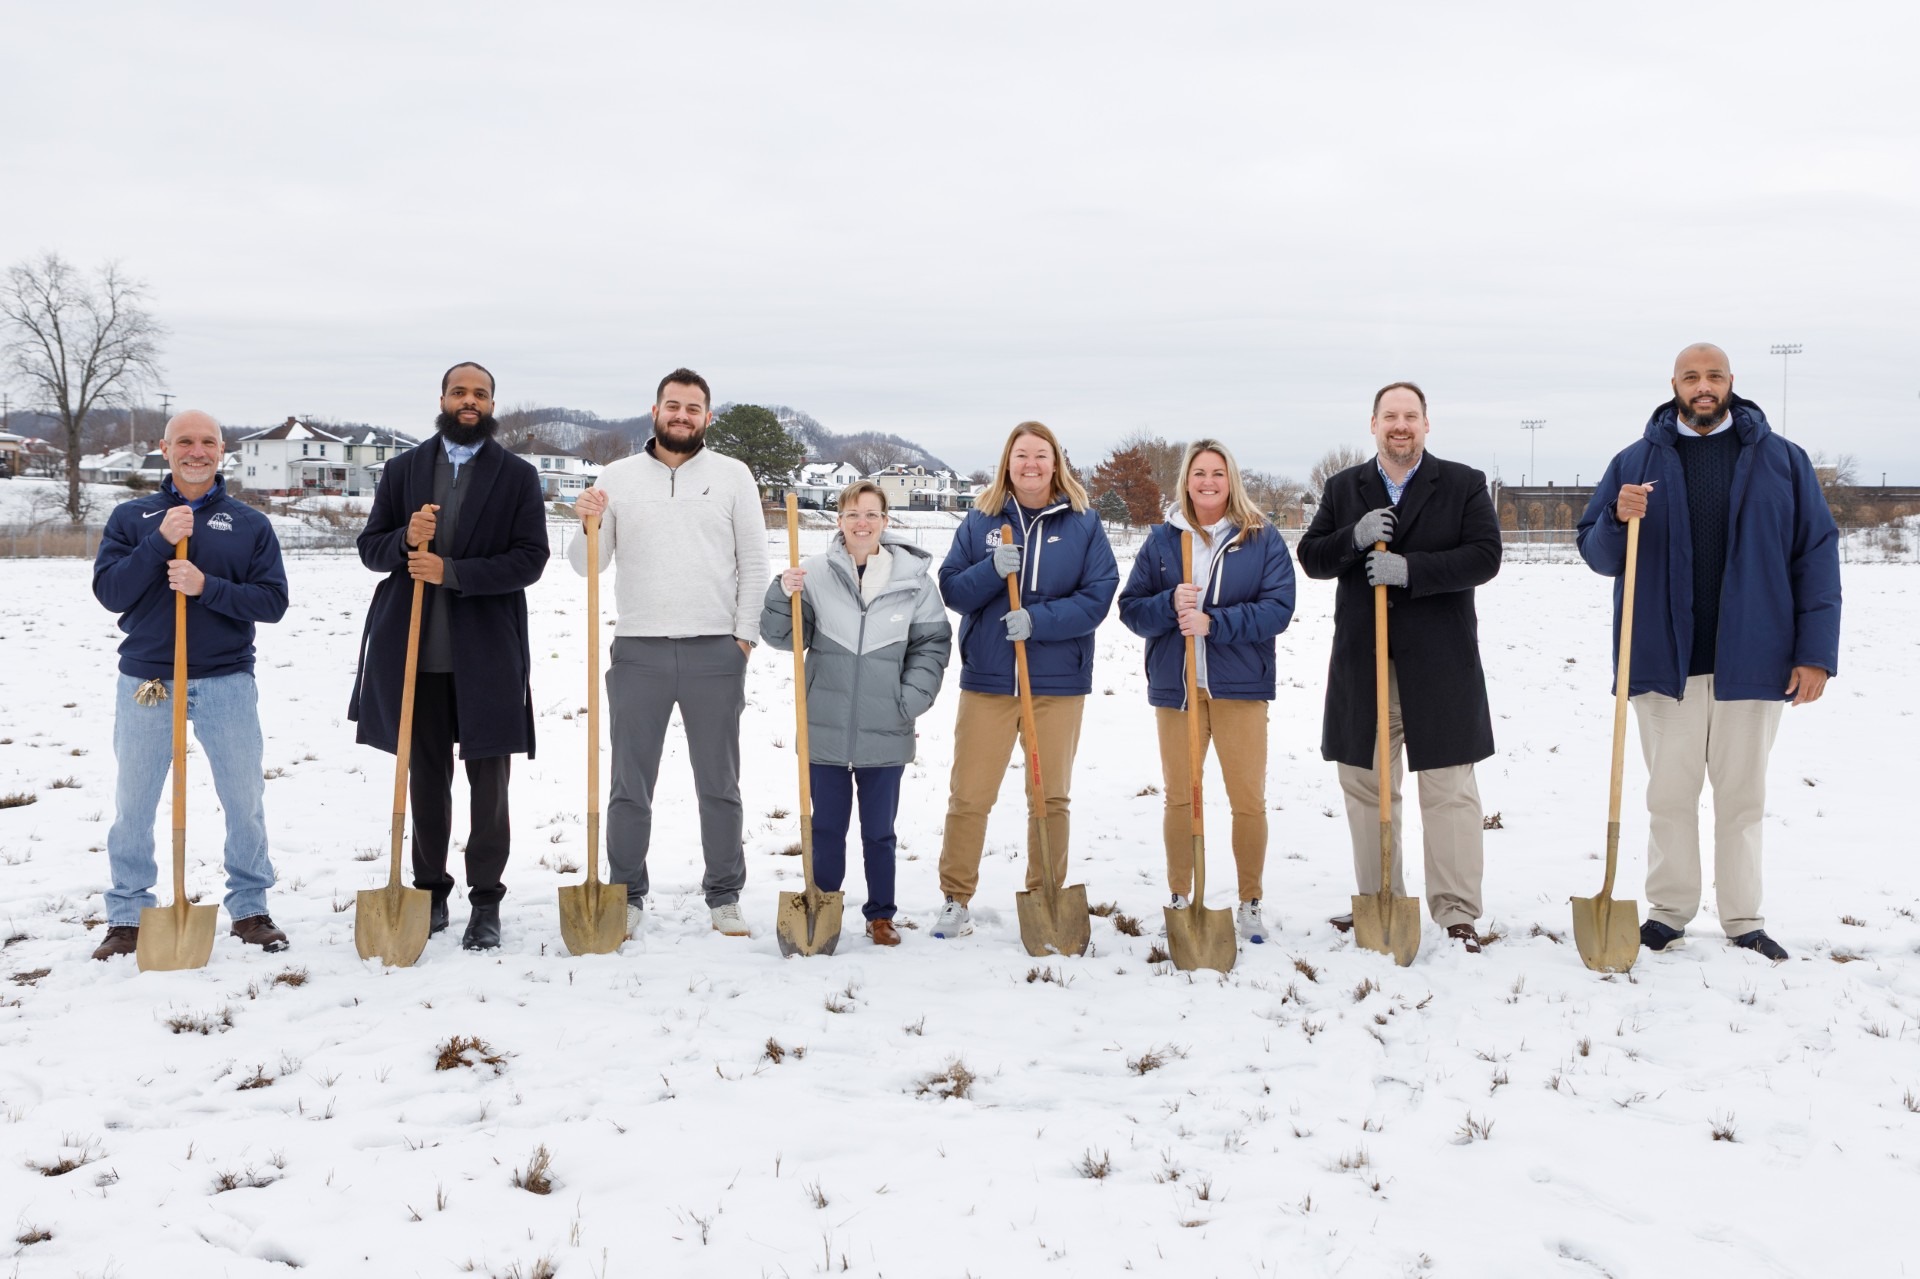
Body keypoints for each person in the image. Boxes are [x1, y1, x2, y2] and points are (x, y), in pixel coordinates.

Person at [1576, 343, 1840, 961]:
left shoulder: (1784, 462)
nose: (1703, 386)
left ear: (1730, 383)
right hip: (1662, 662)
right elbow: (1596, 552)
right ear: (1673, 384)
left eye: (1713, 376)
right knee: (1669, 795)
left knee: (1742, 797)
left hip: (1755, 660)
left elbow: (1816, 557)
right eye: (1691, 377)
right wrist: (1616, 516)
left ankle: (1743, 918)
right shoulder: (1635, 462)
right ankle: (1669, 911)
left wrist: (1815, 653)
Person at [348, 362, 550, 952]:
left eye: (480, 394)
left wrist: (452, 571)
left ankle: (484, 900)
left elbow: (530, 559)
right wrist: (407, 540)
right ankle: (431, 891)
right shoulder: (404, 469)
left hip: (487, 653)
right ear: (442, 398)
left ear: (492, 405)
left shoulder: (515, 476)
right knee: (425, 780)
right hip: (414, 652)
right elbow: (370, 549)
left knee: (490, 786)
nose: (469, 401)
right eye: (459, 392)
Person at [1298, 382, 1502, 952]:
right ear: (1374, 424)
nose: (1400, 425)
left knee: (1449, 789)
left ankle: (1457, 910)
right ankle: (1379, 897)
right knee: (1367, 784)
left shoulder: (1462, 484)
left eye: (1410, 416)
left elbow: (1486, 556)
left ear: (1426, 425)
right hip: (1366, 666)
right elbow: (1312, 557)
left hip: (1441, 666)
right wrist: (1353, 538)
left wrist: (1410, 570)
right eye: (1390, 416)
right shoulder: (1344, 488)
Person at [571, 368, 770, 938]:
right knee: (630, 782)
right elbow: (590, 564)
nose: (681, 415)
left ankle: (724, 894)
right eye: (672, 405)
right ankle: (627, 892)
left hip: (715, 650)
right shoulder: (617, 476)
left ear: (708, 416)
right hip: (639, 650)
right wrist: (586, 520)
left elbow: (754, 564)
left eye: (693, 407)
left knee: (719, 782)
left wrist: (743, 638)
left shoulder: (733, 476)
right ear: (654, 410)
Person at [90, 410, 290, 960]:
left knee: (243, 797)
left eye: (206, 441)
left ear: (221, 450)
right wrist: (159, 542)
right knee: (134, 801)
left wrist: (207, 587)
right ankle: (128, 915)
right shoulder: (133, 517)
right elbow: (111, 592)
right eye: (185, 441)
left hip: (225, 678)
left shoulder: (250, 524)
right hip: (149, 677)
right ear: (165, 447)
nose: (195, 451)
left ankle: (250, 908)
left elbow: (272, 602)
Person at [931, 421, 1118, 938]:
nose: (1030, 465)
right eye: (1021, 456)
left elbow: (1098, 595)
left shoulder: (1083, 523)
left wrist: (1041, 621)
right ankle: (955, 897)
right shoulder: (981, 520)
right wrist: (991, 570)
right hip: (989, 681)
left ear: (1056, 462)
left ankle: (1045, 894)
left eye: (1040, 456)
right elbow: (951, 589)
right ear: (1006, 463)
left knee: (1050, 797)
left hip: (1056, 685)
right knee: (969, 794)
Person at [760, 481, 953, 945]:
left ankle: (881, 914)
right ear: (839, 520)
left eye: (870, 514)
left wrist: (910, 699)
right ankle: (824, 906)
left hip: (886, 725)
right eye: (851, 514)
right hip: (824, 724)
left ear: (886, 522)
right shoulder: (814, 573)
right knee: (825, 827)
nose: (861, 523)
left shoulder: (914, 582)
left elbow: (933, 644)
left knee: (879, 832)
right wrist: (780, 593)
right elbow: (783, 638)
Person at [1119, 439, 1295, 942]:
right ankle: (1180, 893)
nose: (1208, 482)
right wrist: (1169, 604)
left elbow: (1278, 610)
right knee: (1180, 797)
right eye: (1199, 473)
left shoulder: (1260, 538)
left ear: (1231, 479)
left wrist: (1213, 623)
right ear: (1187, 481)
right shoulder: (1161, 541)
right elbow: (1131, 609)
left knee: (1247, 799)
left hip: (1240, 688)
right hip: (1178, 691)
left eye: (1218, 473)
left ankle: (1250, 899)